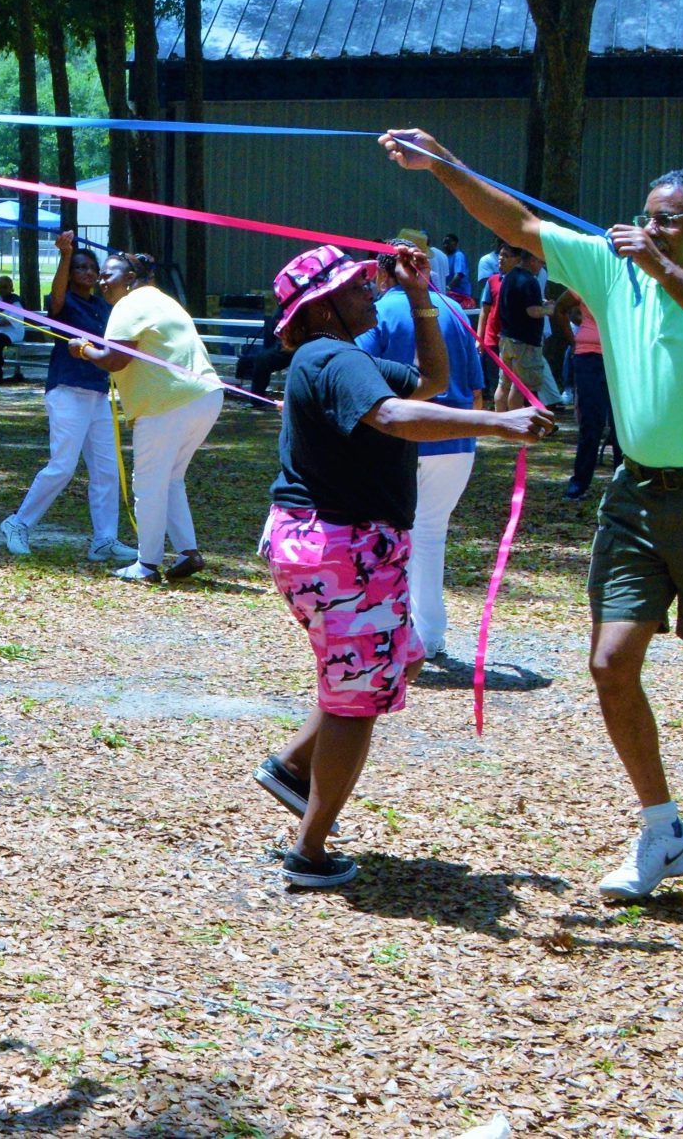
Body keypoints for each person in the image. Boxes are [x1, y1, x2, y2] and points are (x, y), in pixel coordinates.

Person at [389, 134, 683, 909]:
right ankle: (663, 831)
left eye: (668, 222)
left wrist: (662, 269)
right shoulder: (616, 271)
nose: (647, 230)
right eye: (646, 219)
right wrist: (444, 164)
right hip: (640, 496)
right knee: (610, 664)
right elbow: (519, 226)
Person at [251, 243, 555, 888]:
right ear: (324, 305)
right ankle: (309, 850)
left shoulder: (343, 356)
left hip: (342, 549)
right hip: (341, 549)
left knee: (404, 656)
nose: (369, 292)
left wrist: (422, 299)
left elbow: (431, 384)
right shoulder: (330, 357)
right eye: (358, 287)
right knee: (355, 702)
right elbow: (393, 415)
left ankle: (290, 767)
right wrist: (499, 422)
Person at [355, 232, 487, 662]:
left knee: (384, 536)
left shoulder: (376, 312)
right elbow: (477, 390)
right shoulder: (454, 310)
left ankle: (388, 632)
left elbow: (355, 376)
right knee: (431, 536)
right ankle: (428, 637)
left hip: (402, 438)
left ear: (379, 272)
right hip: (456, 440)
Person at [69, 252, 223, 582]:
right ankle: (187, 553)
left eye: (109, 274)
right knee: (170, 479)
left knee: (148, 484)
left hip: (167, 403)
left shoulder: (128, 304)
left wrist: (82, 349)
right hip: (206, 396)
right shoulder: (162, 300)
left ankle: (147, 563)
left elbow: (113, 360)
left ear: (131, 278)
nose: (102, 280)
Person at [2, 232, 131, 563]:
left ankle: (104, 539)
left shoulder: (104, 306)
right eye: (80, 268)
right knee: (63, 466)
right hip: (67, 391)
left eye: (92, 268)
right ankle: (17, 523)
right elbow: (56, 300)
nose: (88, 273)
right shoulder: (64, 303)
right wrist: (64, 255)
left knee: (106, 470)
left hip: (99, 394)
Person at [557, 290, 621, 499]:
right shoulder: (584, 280)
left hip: (619, 357)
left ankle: (623, 485)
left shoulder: (627, 279)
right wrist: (573, 341)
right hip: (589, 358)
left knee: (621, 423)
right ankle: (579, 484)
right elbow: (559, 308)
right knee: (591, 423)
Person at [489, 247, 552, 411]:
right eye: (541, 262)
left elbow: (518, 305)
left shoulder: (509, 277)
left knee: (504, 383)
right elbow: (532, 311)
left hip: (506, 338)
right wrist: (549, 309)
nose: (542, 266)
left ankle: (501, 421)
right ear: (532, 260)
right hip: (525, 342)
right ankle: (515, 425)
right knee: (520, 385)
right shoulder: (530, 280)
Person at [441, 234, 473, 301]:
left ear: (455, 244)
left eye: (448, 243)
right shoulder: (445, 257)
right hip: (450, 295)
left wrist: (448, 287)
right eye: (444, 243)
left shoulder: (458, 255)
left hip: (460, 295)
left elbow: (459, 274)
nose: (445, 245)